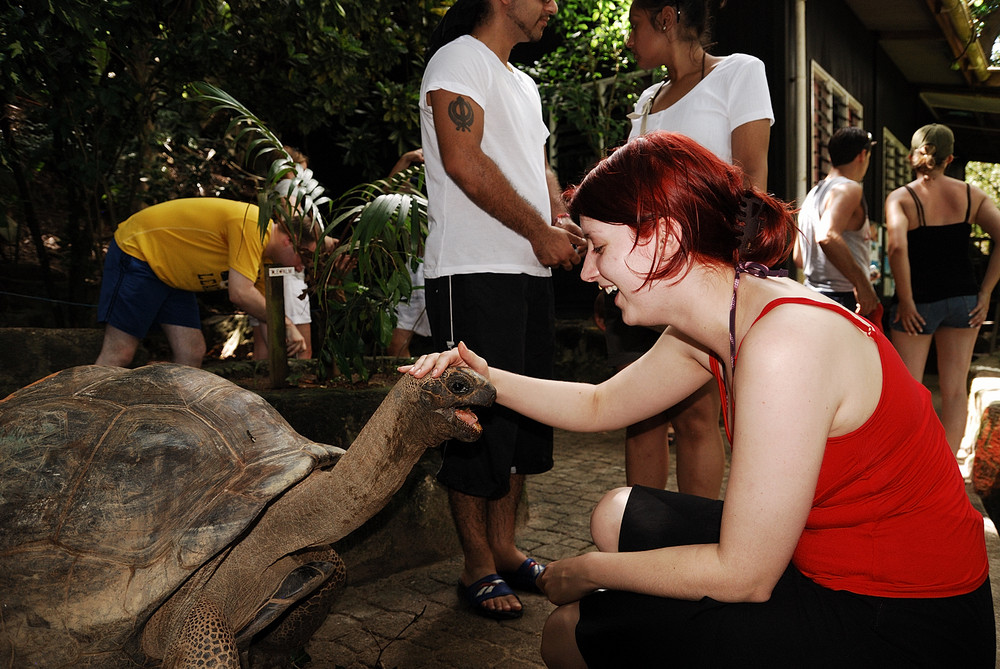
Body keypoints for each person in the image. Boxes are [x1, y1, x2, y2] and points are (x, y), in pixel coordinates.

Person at [402, 132, 995, 667]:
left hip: (905, 618)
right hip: (817, 557)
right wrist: (483, 376)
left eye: (600, 248)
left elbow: (744, 575)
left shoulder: (784, 345)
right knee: (613, 514)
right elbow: (598, 405)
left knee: (567, 631)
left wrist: (584, 572)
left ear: (662, 239)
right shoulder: (724, 317)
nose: (587, 273)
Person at [419, 0, 584, 620]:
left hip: (527, 275)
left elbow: (535, 165)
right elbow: (463, 161)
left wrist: (558, 216)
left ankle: (507, 548)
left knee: (521, 423)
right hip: (471, 271)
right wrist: (536, 232)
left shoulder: (522, 81)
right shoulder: (459, 59)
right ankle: (476, 565)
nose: (553, 7)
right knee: (473, 424)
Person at [607, 0, 774, 494]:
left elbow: (751, 178)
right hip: (638, 277)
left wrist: (734, 272)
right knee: (640, 418)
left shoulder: (739, 73)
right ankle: (640, 552)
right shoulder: (648, 100)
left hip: (701, 275)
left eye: (636, 25)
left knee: (697, 416)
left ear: (667, 18)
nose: (629, 39)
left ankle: (692, 548)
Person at [886, 123, 1000, 453]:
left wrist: (905, 300)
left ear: (912, 154)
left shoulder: (901, 198)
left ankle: (910, 461)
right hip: (964, 300)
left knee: (910, 389)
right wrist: (986, 292)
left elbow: (897, 248)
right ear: (950, 158)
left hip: (918, 302)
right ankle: (947, 466)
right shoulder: (971, 195)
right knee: (954, 390)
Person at [96, 197, 316, 368]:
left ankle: (176, 418)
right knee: (120, 353)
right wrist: (287, 325)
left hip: (172, 273)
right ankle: (81, 410)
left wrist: (287, 360)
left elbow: (264, 315)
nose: (300, 268)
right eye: (304, 258)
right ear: (290, 241)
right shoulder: (252, 225)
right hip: (139, 251)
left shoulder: (264, 259)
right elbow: (239, 293)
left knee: (191, 352)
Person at [795, 126, 882, 326]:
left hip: (811, 295)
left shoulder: (813, 194)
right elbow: (826, 236)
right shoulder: (849, 188)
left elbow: (800, 258)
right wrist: (862, 284)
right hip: (843, 300)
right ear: (862, 155)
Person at [251, 146, 316, 361]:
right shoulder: (289, 188)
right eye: (302, 170)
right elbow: (296, 228)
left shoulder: (271, 192)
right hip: (289, 272)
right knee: (302, 350)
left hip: (265, 273)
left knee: (263, 349)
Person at [385, 148, 432, 359]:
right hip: (414, 269)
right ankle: (409, 390)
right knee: (396, 345)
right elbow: (388, 196)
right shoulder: (419, 181)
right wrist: (405, 159)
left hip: (445, 267)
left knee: (454, 344)